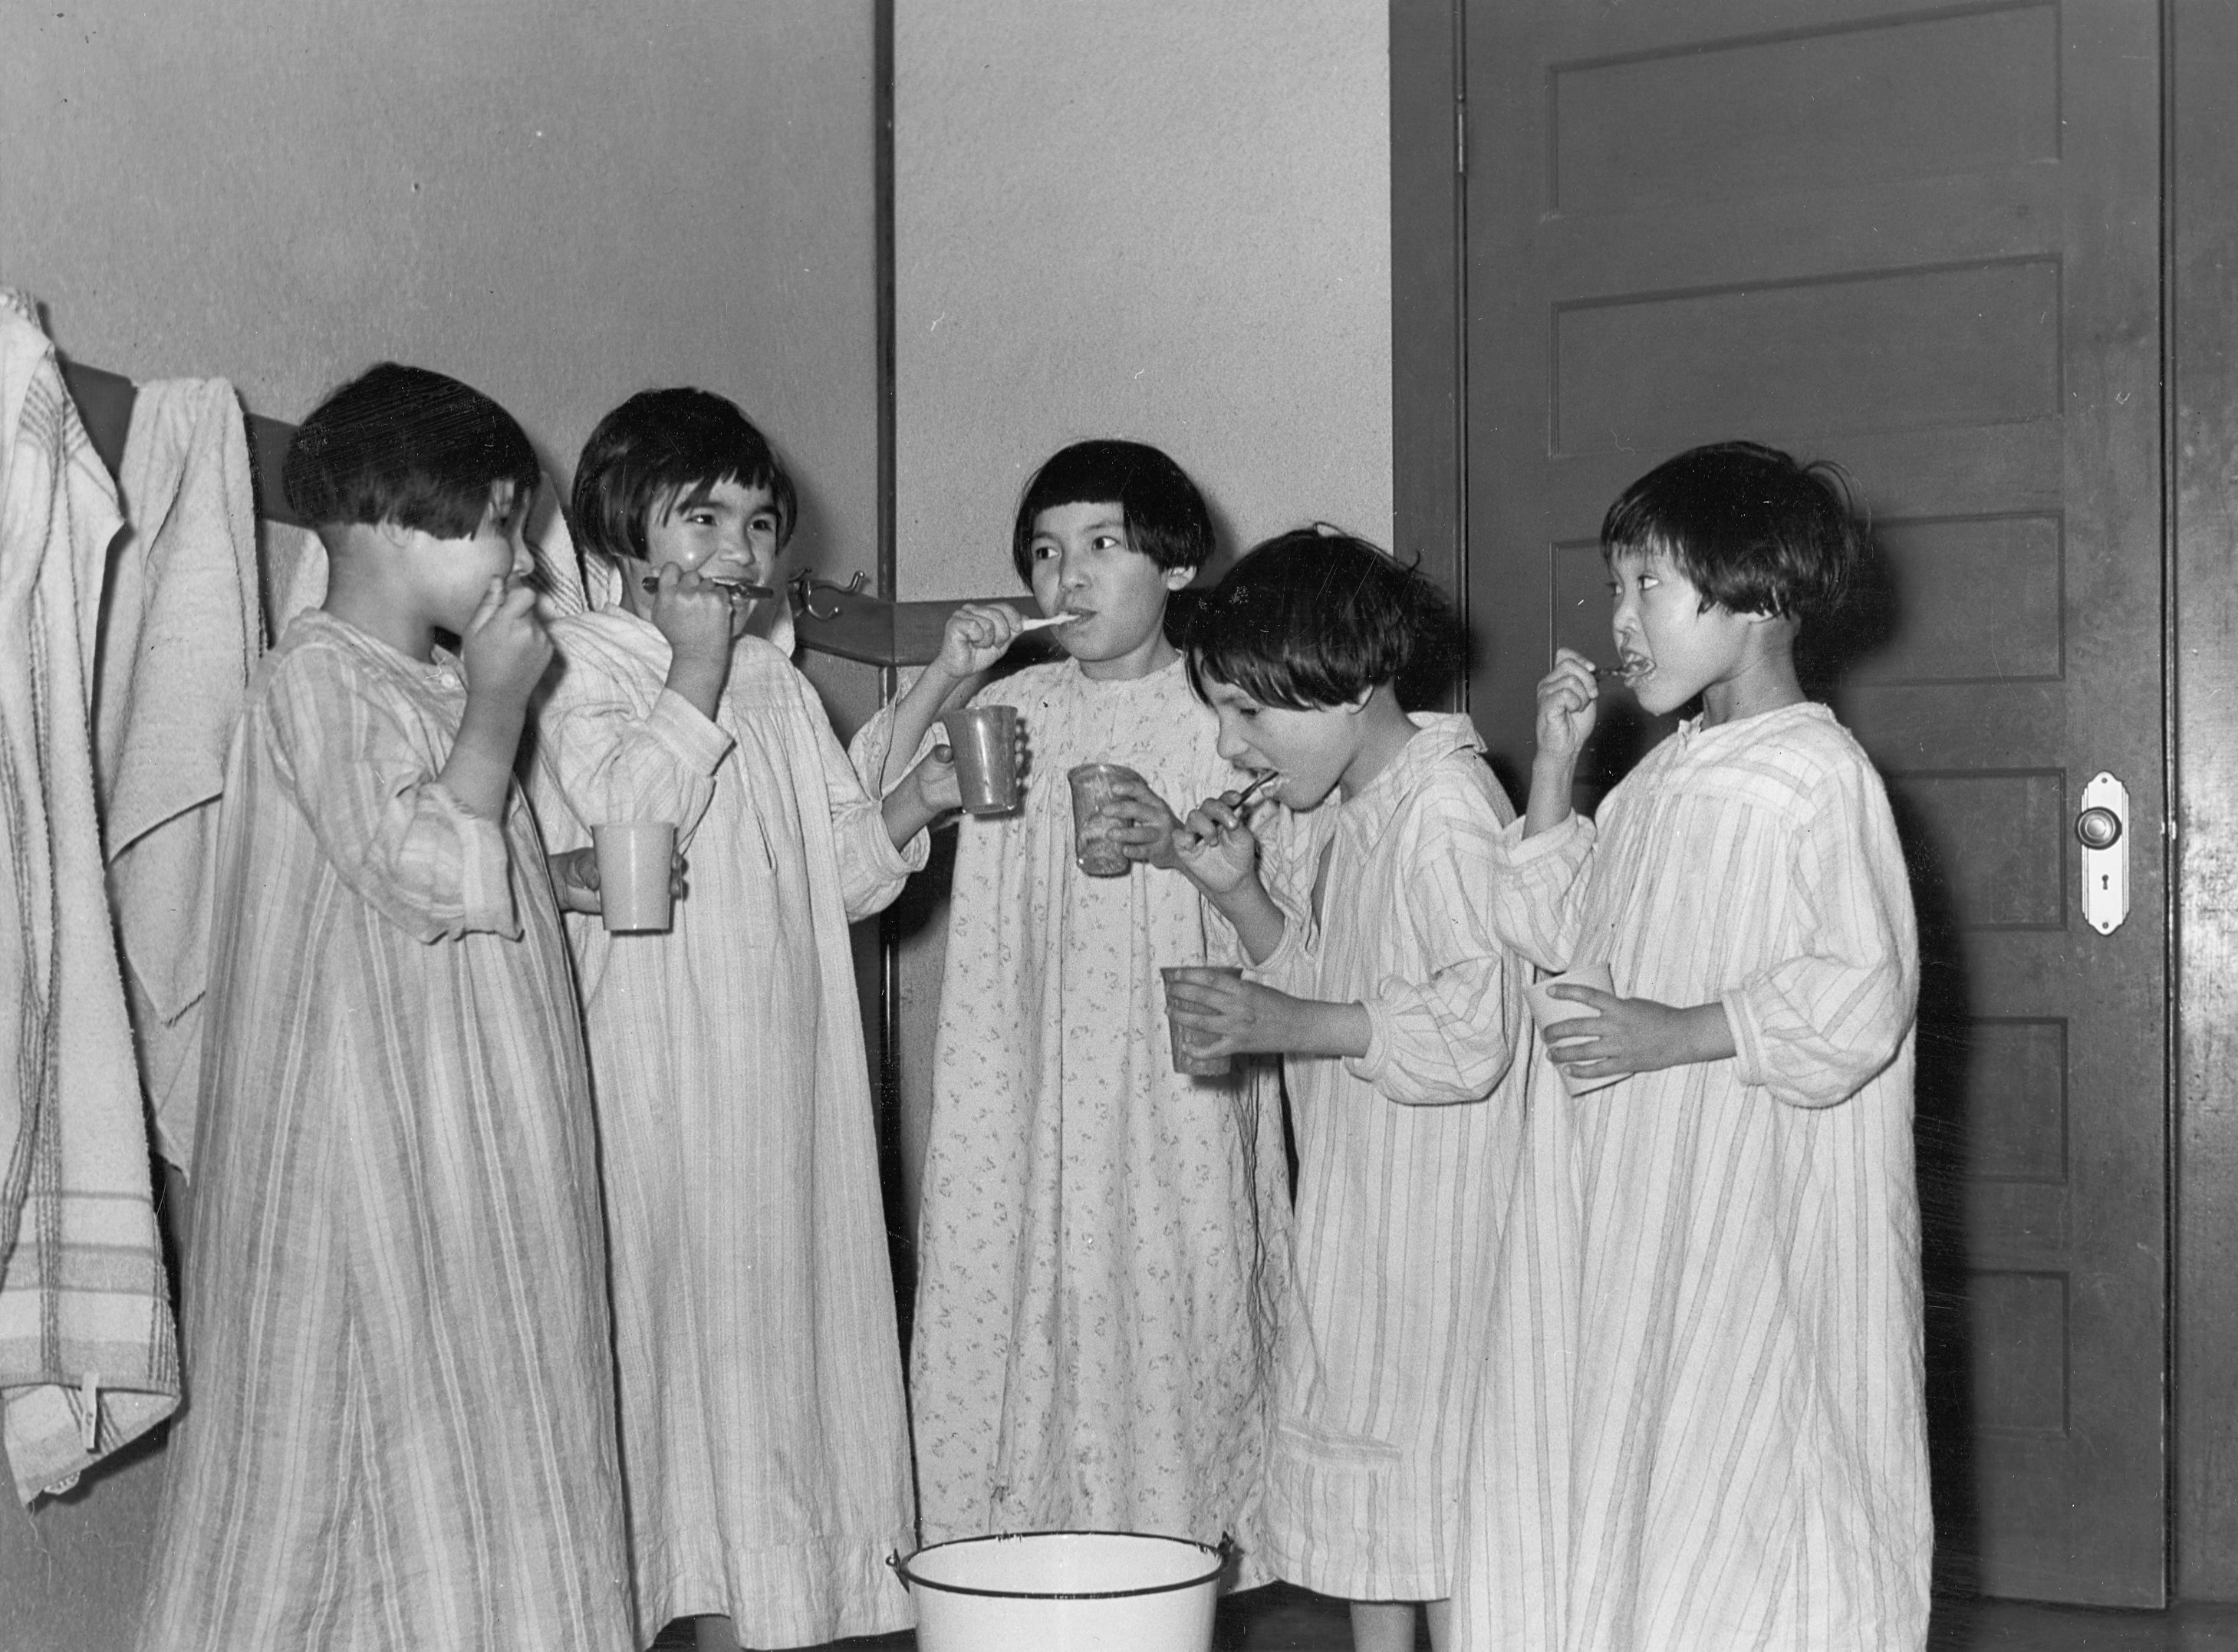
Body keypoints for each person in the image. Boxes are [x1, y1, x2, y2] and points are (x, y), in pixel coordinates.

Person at [133, 363, 630, 1652]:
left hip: (468, 1140)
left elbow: (451, 864)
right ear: (381, 525)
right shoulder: (321, 676)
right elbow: (416, 863)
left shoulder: (424, 683)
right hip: (366, 1148)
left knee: (476, 1436)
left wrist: (547, 856)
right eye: (497, 523)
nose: (522, 557)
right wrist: (501, 708)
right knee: (338, 1458)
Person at [1453, 442, 1930, 1651]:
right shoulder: (1668, 775)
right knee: (1642, 1455)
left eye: (1646, 588)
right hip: (1638, 1190)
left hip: (1747, 1194)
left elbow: (1858, 992)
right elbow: (1560, 929)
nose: (1618, 622)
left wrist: (1678, 1032)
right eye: (1614, 589)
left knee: (1752, 1457)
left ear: (1757, 596)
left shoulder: (1815, 777)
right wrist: (1555, 771)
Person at [528, 387, 943, 1652]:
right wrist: (694, 669)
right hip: (649, 1085)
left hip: (781, 1082)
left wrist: (918, 800)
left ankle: (754, 1625)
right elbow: (614, 824)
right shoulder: (571, 667)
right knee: (656, 1377)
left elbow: (847, 878)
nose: (735, 551)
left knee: (772, 1381)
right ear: (619, 535)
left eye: (758, 523)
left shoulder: (774, 683)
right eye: (699, 517)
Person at [850, 439, 1289, 1573]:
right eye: (1046, 553)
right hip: (1017, 1065)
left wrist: (1187, 847)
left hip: (1172, 1078)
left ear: (1177, 568)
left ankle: (1169, 1564)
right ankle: (1013, 1565)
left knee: (1168, 1286)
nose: (1068, 578)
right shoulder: (1016, 702)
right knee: (1007, 1275)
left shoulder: (1220, 712)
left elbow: (1291, 908)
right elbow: (860, 800)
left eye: (1103, 545)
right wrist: (945, 675)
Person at [1162, 528, 1524, 1652]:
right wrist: (1241, 896)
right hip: (1372, 1204)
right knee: (1380, 1495)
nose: (1230, 747)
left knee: (1449, 1505)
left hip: (1447, 1221)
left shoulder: (1445, 812)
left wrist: (1288, 1021)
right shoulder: (1356, 813)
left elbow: (1475, 1029)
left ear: (1353, 684)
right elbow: (1334, 982)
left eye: (1247, 713)